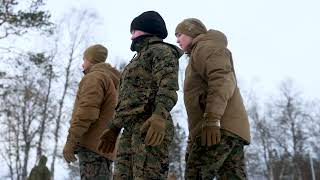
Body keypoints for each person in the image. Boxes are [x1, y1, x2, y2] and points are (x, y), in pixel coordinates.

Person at [98, 11, 183, 179]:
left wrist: (159, 116)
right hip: (129, 130)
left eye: (133, 31)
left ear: (145, 30)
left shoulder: (161, 51)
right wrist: (115, 127)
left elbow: (168, 86)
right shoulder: (137, 58)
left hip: (149, 127)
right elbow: (128, 99)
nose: (131, 37)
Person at [175, 18, 251, 179]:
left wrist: (212, 119)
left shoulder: (205, 48)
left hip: (217, 129)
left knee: (195, 175)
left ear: (191, 32)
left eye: (179, 34)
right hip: (228, 129)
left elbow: (223, 80)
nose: (177, 40)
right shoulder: (201, 51)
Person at [63, 44, 120, 179]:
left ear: (91, 60)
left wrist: (71, 141)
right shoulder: (111, 80)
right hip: (104, 149)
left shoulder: (95, 77)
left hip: (92, 148)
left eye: (84, 60)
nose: (82, 65)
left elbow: (87, 112)